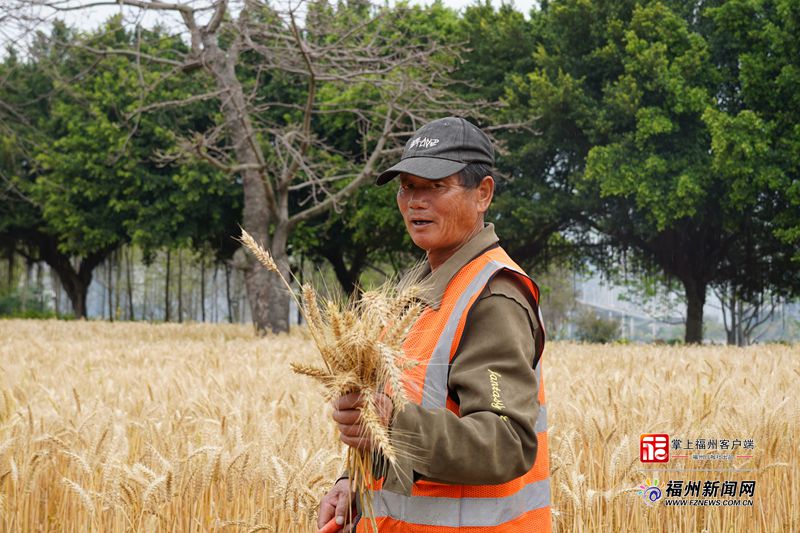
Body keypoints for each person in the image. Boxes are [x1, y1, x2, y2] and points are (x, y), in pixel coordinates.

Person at [317, 117, 551, 532]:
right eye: (407, 186)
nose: (414, 201)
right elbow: (410, 415)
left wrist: (390, 425)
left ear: (483, 194)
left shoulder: (492, 296)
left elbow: (506, 441)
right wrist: (353, 480)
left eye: (435, 186)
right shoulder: (421, 293)